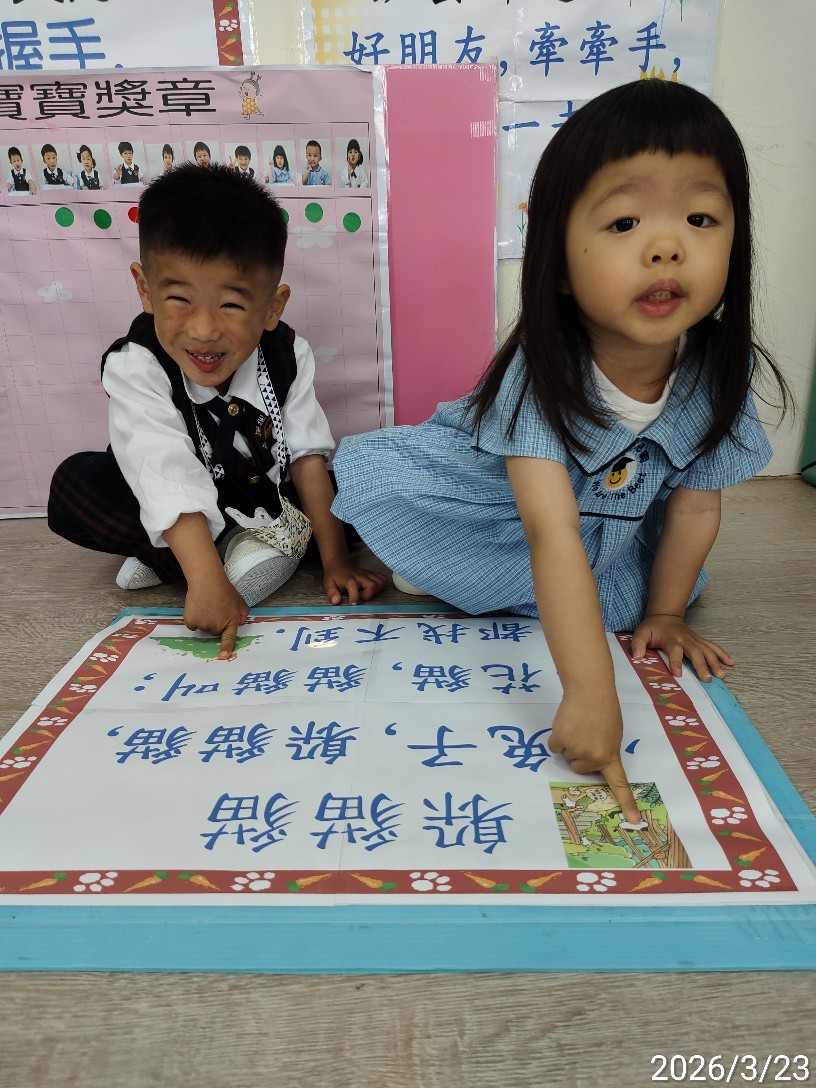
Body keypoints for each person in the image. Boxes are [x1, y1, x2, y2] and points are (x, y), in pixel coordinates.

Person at [330, 79, 790, 821]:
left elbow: (696, 508)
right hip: (497, 500)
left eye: (700, 218)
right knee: (390, 499)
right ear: (561, 266)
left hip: (601, 532)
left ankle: (474, 576)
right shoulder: (542, 371)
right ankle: (425, 552)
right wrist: (589, 693)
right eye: (624, 222)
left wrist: (667, 613)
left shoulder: (716, 373)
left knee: (632, 602)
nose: (667, 247)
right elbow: (551, 534)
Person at [48, 163, 387, 659]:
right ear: (145, 289)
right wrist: (206, 582)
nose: (204, 331)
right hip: (178, 494)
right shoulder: (135, 364)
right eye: (179, 299)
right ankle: (205, 556)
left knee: (360, 492)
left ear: (272, 307)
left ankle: (218, 551)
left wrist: (336, 561)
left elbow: (306, 457)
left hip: (270, 494)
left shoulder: (288, 355)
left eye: (230, 305)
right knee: (77, 484)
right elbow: (162, 468)